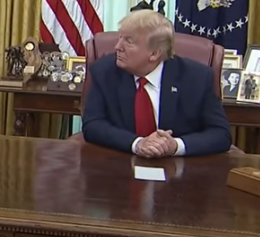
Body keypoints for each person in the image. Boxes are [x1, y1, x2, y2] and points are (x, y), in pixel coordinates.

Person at [82, 10, 231, 158]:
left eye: (129, 41)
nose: (117, 47)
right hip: (121, 162)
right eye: (120, 38)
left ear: (154, 54)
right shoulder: (104, 72)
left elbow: (221, 134)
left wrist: (175, 146)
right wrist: (137, 143)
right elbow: (93, 125)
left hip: (178, 166)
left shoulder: (196, 78)